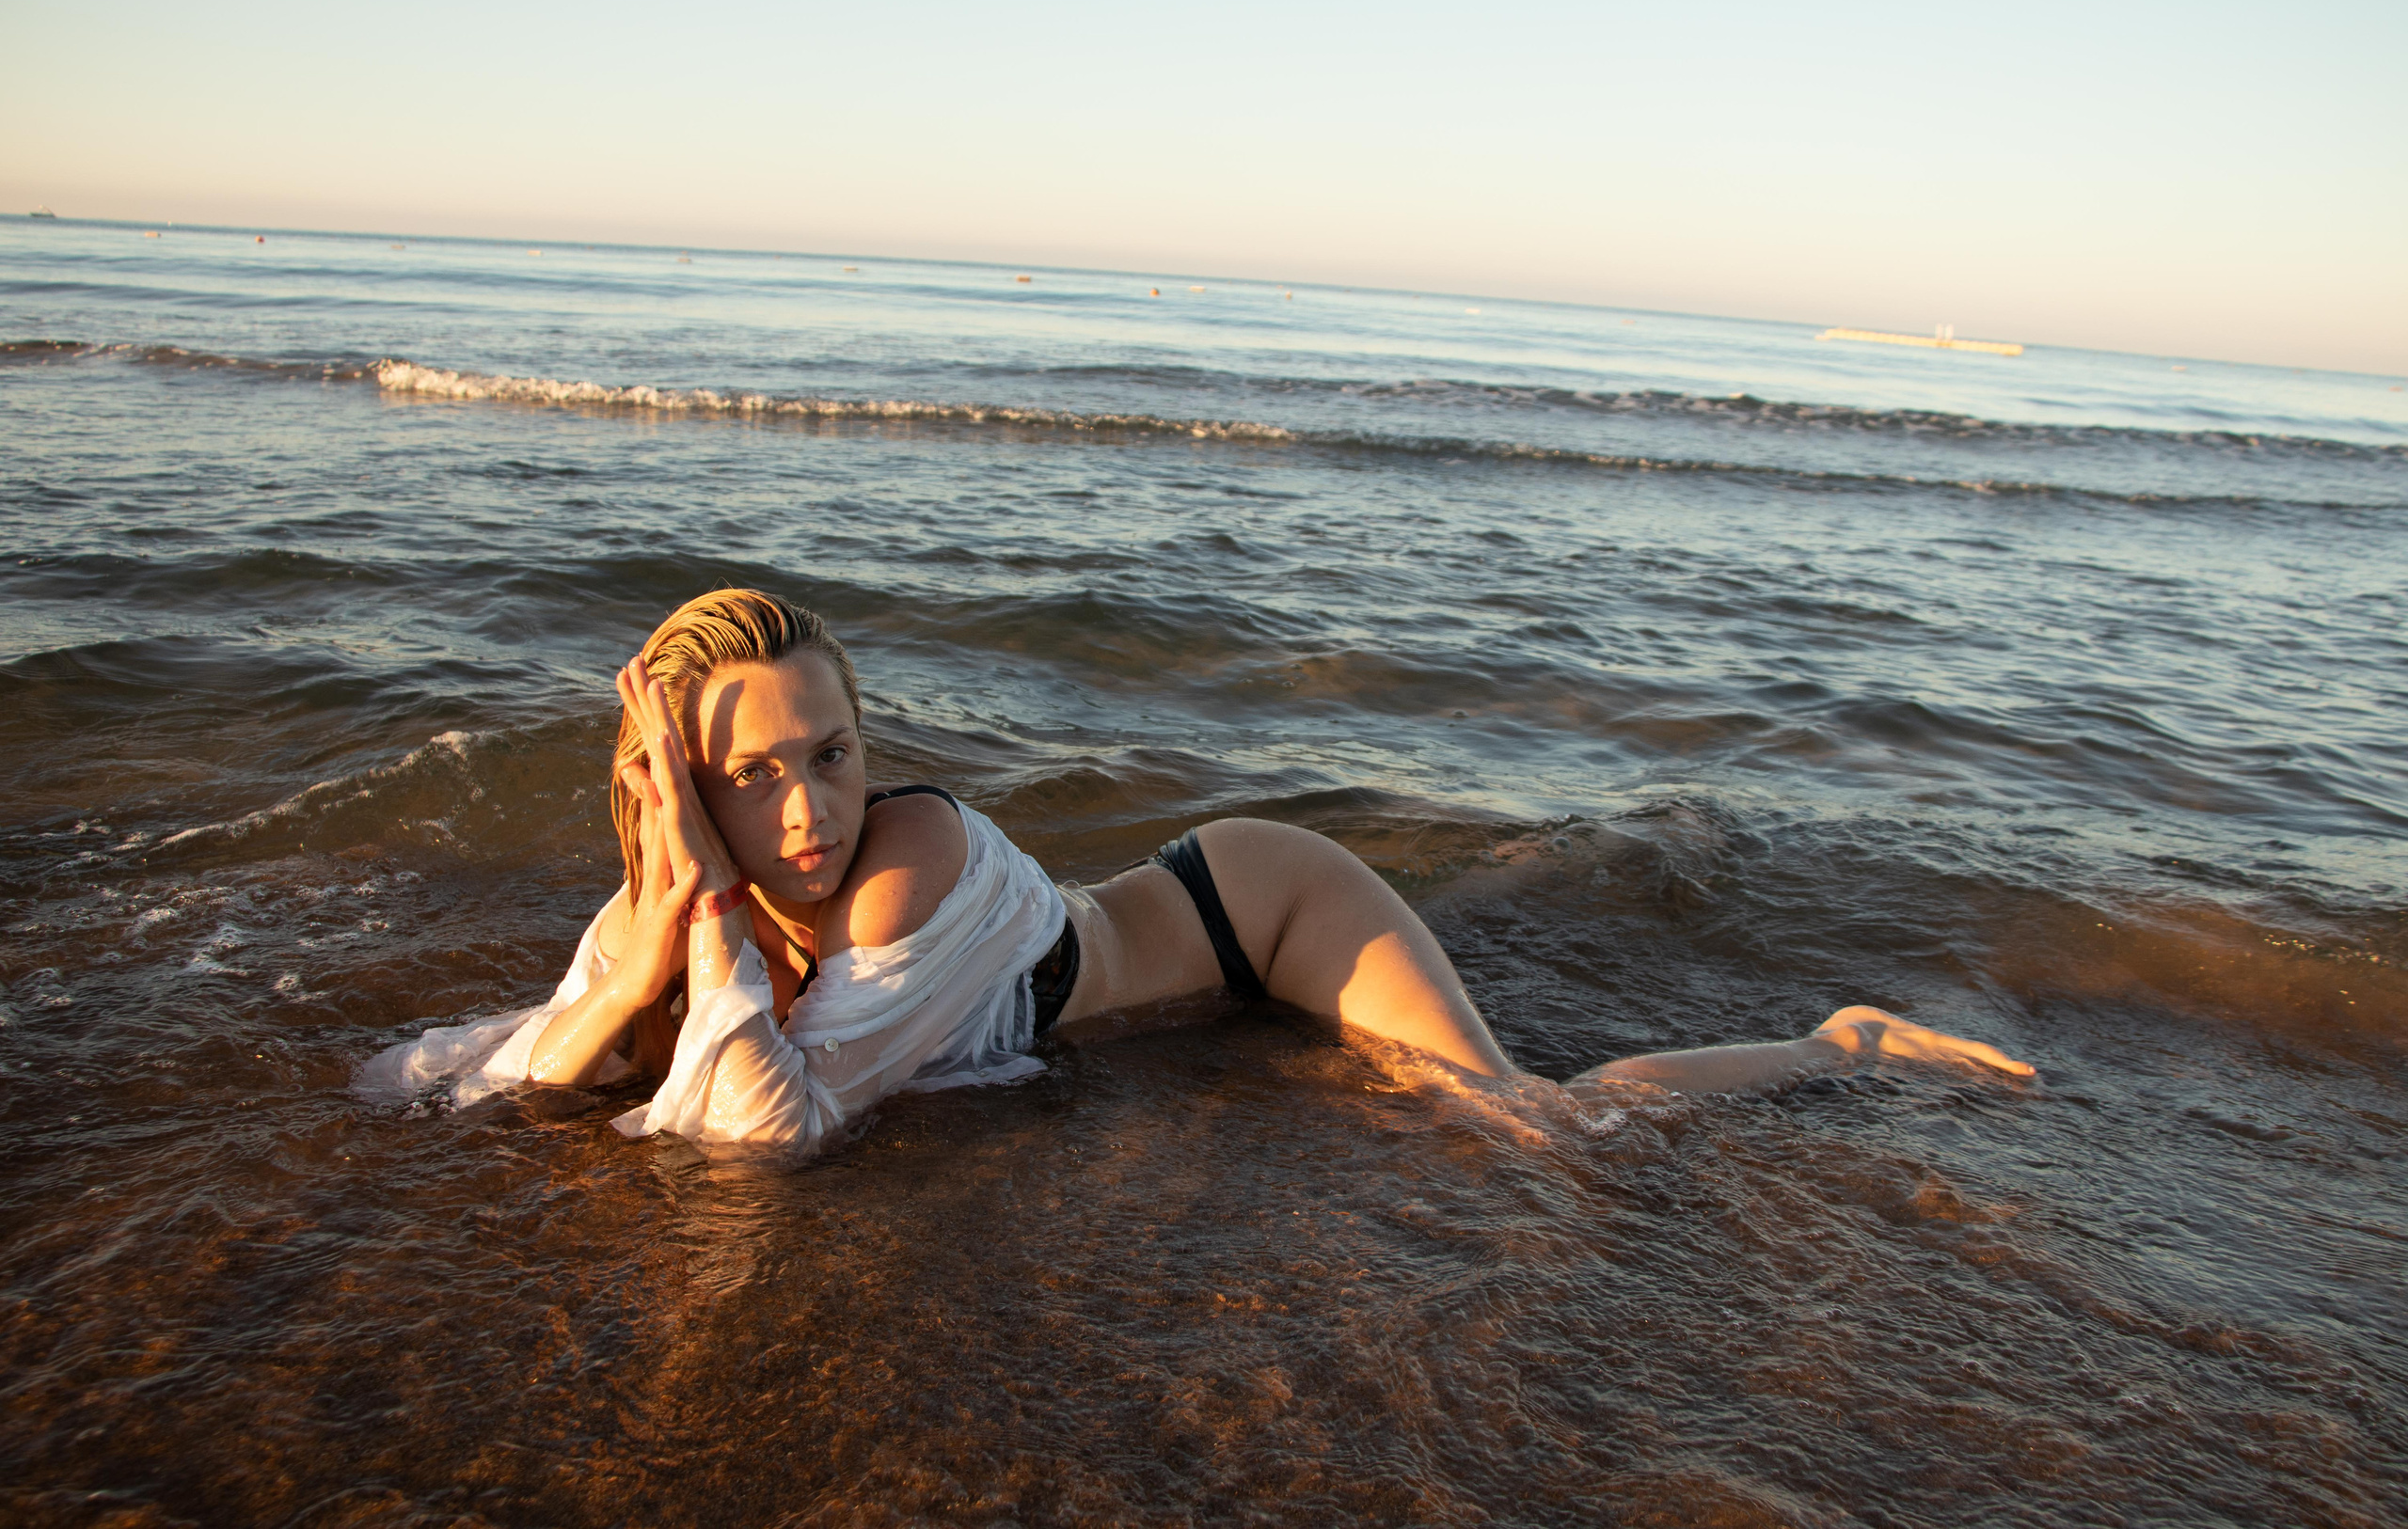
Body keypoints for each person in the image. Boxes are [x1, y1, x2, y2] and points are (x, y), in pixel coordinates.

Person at [360, 590, 2033, 1152]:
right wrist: (653, 933)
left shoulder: (905, 867)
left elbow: (770, 1128)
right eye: (750, 776)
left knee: (1542, 1129)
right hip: (1155, 935)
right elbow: (484, 1076)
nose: (810, 807)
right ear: (671, 791)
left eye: (835, 752)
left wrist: (705, 909)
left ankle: (1840, 1041)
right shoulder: (677, 902)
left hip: (1261, 910)